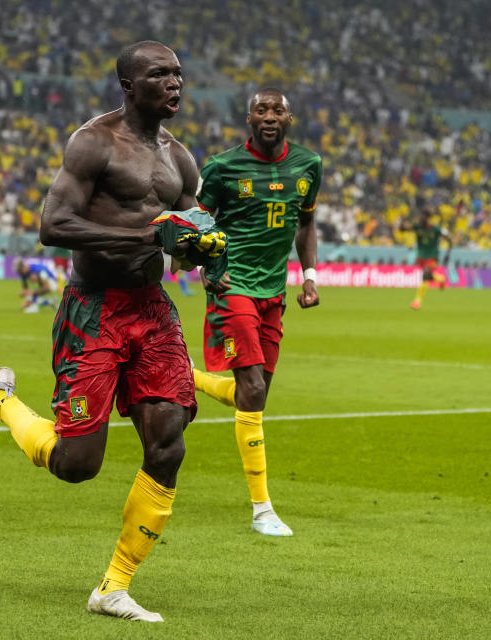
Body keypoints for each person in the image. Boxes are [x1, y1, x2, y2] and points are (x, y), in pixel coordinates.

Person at [0, 41, 226, 623]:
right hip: (93, 309)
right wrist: (148, 240)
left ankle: (113, 587)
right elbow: (54, 225)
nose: (174, 83)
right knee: (78, 464)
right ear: (128, 85)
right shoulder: (95, 142)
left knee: (169, 440)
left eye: (179, 74)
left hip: (151, 311)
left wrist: (206, 251)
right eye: (160, 75)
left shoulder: (182, 161)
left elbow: (186, 241)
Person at [191, 88, 322, 537]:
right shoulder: (222, 168)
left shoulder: (309, 165)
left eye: (277, 110)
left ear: (290, 118)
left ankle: (189, 379)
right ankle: (262, 508)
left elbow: (305, 222)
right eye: (261, 110)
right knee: (251, 387)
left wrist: (309, 276)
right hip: (233, 287)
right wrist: (208, 268)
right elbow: (196, 223)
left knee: (258, 391)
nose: (269, 116)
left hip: (273, 289)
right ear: (249, 117)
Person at [400, 208, 451, 310]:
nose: (420, 219)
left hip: (432, 256)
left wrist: (447, 254)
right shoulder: (417, 227)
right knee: (428, 275)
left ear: (427, 218)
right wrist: (403, 221)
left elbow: (449, 239)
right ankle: (441, 279)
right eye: (419, 217)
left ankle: (417, 301)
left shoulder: (435, 229)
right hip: (421, 257)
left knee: (426, 275)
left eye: (422, 217)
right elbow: (402, 229)